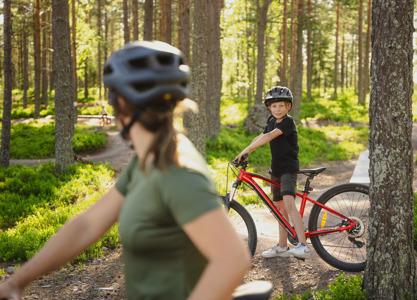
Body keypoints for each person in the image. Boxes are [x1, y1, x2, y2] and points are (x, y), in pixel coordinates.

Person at [0, 41, 251, 300]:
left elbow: (231, 259)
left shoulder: (178, 173)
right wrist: (17, 281)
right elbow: (87, 226)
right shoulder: (149, 159)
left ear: (120, 101)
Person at [234, 86, 310, 259]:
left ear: (288, 107)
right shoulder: (271, 121)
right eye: (274, 106)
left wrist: (247, 150)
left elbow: (268, 137)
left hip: (288, 169)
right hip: (275, 169)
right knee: (280, 209)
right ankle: (282, 246)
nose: (277, 109)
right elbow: (260, 137)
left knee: (289, 205)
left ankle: (303, 245)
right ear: (269, 107)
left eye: (281, 106)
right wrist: (245, 152)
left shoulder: (287, 122)